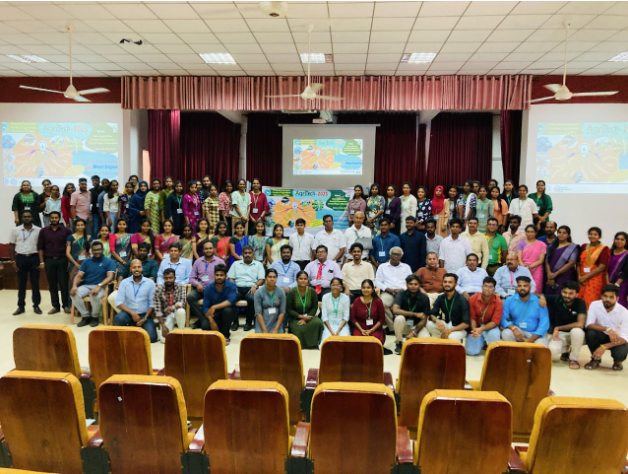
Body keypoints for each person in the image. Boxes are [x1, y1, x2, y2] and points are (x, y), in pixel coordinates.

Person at [72, 241, 116, 327]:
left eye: (99, 249)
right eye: (94, 250)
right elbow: (79, 276)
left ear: (103, 250)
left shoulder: (109, 261)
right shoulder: (86, 261)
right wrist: (74, 286)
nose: (97, 252)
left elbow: (110, 277)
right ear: (91, 251)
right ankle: (86, 316)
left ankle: (94, 317)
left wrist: (99, 286)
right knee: (74, 294)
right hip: (86, 285)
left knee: (94, 294)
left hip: (102, 286)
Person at [584, 285, 628, 371]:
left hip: (616, 339)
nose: (607, 299)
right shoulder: (595, 305)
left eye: (611, 297)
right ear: (601, 296)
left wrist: (604, 347)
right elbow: (588, 324)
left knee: (620, 353)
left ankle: (617, 361)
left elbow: (625, 337)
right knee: (591, 333)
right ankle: (595, 359)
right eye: (605, 296)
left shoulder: (624, 312)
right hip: (601, 335)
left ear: (617, 298)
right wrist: (607, 329)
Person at [36, 210, 72, 314]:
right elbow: (40, 247)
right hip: (49, 260)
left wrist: (69, 262)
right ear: (49, 219)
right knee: (52, 285)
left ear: (59, 218)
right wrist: (41, 262)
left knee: (64, 284)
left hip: (62, 260)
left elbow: (70, 247)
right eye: (52, 218)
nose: (54, 219)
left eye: (56, 218)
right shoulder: (44, 231)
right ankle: (55, 306)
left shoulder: (66, 231)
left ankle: (66, 305)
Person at [113, 258, 157, 342]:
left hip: (144, 315)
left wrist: (145, 318)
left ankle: (137, 327)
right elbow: (119, 302)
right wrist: (133, 313)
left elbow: (152, 304)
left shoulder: (150, 283)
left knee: (152, 338)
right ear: (130, 269)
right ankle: (132, 328)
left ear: (142, 268)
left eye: (139, 267)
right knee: (118, 318)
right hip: (129, 313)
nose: (137, 269)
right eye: (134, 267)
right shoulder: (124, 283)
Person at [108, 242, 158, 313]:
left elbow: (152, 278)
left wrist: (144, 286)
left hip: (144, 288)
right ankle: (128, 315)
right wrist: (119, 283)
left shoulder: (152, 263)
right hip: (128, 286)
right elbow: (122, 275)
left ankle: (135, 315)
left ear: (148, 252)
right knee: (112, 298)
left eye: (144, 251)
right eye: (140, 250)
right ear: (138, 251)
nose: (142, 253)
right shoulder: (130, 262)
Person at [547, 280, 586, 369]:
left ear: (576, 294)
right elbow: (538, 295)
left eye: (571, 293)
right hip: (561, 334)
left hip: (576, 335)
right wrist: (541, 297)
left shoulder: (580, 303)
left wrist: (558, 327)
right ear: (561, 292)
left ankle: (573, 359)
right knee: (552, 351)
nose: (567, 296)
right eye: (565, 292)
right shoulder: (557, 299)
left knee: (577, 331)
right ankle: (566, 349)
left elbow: (580, 324)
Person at [500, 276, 549, 345]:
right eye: (519, 286)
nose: (522, 288)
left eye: (525, 286)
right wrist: (513, 328)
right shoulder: (510, 300)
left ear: (530, 287)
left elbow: (544, 322)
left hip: (535, 333)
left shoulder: (539, 301)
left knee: (541, 346)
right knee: (506, 333)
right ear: (516, 287)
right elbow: (502, 318)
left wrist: (531, 339)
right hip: (519, 331)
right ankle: (516, 350)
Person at [10, 210, 42, 315]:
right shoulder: (15, 230)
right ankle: (21, 306)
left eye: (29, 216)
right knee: (21, 284)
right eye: (25, 216)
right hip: (21, 258)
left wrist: (41, 261)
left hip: (34, 258)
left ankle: (36, 305)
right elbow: (11, 245)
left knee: (35, 283)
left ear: (32, 218)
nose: (27, 218)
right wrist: (12, 260)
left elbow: (41, 246)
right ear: (21, 218)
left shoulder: (38, 230)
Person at [227, 245, 266, 331]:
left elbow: (261, 279)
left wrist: (255, 286)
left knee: (252, 299)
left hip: (251, 288)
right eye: (245, 253)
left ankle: (248, 322)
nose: (247, 255)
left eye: (249, 253)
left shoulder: (258, 265)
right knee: (231, 298)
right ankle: (235, 322)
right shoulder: (236, 264)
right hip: (238, 287)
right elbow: (230, 278)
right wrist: (233, 286)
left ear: (253, 254)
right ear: (242, 254)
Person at [375, 246, 412, 331]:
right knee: (382, 303)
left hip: (404, 293)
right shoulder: (382, 267)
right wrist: (388, 289)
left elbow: (410, 281)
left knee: (411, 303)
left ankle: (407, 328)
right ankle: (392, 328)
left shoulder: (406, 267)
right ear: (390, 255)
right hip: (388, 292)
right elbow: (377, 282)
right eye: (394, 254)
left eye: (398, 255)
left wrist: (402, 289)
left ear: (401, 256)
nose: (396, 256)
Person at [392, 274, 431, 354]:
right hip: (404, 325)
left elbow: (424, 319)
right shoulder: (401, 294)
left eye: (415, 284)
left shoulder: (424, 298)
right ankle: (399, 343)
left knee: (426, 339)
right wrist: (414, 314)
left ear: (419, 285)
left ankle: (414, 346)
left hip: (417, 326)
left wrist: (414, 332)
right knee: (399, 318)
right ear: (407, 285)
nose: (413, 286)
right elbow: (395, 310)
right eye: (410, 284)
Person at [188, 240, 224, 326]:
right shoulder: (198, 262)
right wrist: (197, 284)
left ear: (213, 249)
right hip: (201, 289)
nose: (208, 250)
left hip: (215, 290)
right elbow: (191, 278)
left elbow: (224, 278)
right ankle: (203, 319)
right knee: (190, 297)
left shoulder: (220, 262)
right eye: (206, 248)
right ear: (203, 250)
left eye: (210, 248)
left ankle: (202, 322)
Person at [427, 273, 470, 342]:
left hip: (459, 328)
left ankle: (456, 341)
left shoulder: (462, 300)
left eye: (450, 282)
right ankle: (441, 341)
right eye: (445, 282)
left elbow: (466, 324)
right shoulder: (441, 297)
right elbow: (432, 314)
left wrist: (449, 331)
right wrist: (437, 320)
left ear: (456, 284)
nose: (447, 284)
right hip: (447, 325)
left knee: (451, 337)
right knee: (429, 324)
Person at [466, 277, 502, 355]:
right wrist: (475, 330)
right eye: (485, 286)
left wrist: (481, 329)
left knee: (494, 337)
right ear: (482, 287)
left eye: (490, 287)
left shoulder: (498, 302)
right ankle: (482, 342)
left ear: (494, 289)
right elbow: (472, 317)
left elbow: (494, 322)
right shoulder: (473, 298)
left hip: (490, 328)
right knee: (471, 352)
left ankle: (487, 342)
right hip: (476, 327)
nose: (487, 289)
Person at [201, 264, 237, 341]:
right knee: (205, 326)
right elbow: (205, 307)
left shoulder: (232, 285)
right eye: (217, 275)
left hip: (228, 313)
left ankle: (225, 335)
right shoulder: (208, 288)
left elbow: (231, 301)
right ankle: (218, 329)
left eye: (221, 275)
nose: (219, 277)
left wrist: (214, 307)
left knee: (228, 310)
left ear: (226, 276)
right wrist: (211, 321)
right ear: (214, 275)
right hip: (214, 314)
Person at [286, 271, 322, 348]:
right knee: (300, 329)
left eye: (305, 279)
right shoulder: (292, 292)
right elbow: (289, 309)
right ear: (296, 280)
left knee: (318, 323)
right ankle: (300, 346)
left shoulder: (312, 291)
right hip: (296, 317)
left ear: (308, 281)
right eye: (301, 278)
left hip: (309, 317)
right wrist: (301, 317)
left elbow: (314, 307)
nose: (303, 280)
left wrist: (307, 318)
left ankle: (313, 344)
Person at [351, 279, 388, 352]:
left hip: (375, 329)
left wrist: (371, 330)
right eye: (364, 288)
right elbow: (353, 318)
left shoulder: (378, 301)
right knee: (357, 342)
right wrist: (361, 330)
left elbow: (381, 319)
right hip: (360, 329)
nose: (366, 290)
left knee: (375, 342)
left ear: (373, 289)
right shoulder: (357, 301)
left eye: (368, 287)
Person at [578, 226, 610, 309]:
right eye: (590, 234)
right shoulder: (584, 246)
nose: (592, 236)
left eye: (595, 234)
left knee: (592, 301)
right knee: (580, 300)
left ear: (599, 236)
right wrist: (579, 277)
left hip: (595, 279)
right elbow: (578, 264)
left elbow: (601, 267)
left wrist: (585, 277)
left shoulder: (603, 249)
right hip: (582, 279)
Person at [153, 268, 187, 342]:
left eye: (170, 278)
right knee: (164, 340)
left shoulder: (180, 287)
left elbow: (182, 302)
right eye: (166, 278)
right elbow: (157, 310)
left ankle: (181, 333)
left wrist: (172, 308)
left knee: (181, 311)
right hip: (166, 315)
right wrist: (163, 326)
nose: (168, 280)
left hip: (176, 311)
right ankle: (169, 328)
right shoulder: (158, 290)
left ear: (174, 278)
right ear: (163, 279)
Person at [544, 225, 579, 295]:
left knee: (561, 294)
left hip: (565, 276)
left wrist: (556, 274)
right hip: (551, 275)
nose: (561, 234)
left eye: (564, 233)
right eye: (559, 232)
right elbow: (546, 261)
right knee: (549, 296)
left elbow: (571, 263)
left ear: (568, 235)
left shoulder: (573, 247)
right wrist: (549, 275)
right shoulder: (551, 246)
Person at [320, 277, 351, 347]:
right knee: (326, 344)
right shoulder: (325, 297)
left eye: (338, 285)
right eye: (333, 285)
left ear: (341, 287)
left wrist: (338, 330)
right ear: (330, 286)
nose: (335, 287)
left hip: (342, 325)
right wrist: (331, 331)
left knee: (345, 344)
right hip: (329, 325)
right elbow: (324, 316)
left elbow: (346, 317)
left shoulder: (346, 298)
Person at [254, 268, 287, 334]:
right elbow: (258, 313)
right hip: (262, 323)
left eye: (274, 277)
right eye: (270, 277)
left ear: (277, 278)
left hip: (276, 323)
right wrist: (264, 330)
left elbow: (282, 312)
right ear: (265, 278)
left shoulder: (281, 292)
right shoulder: (259, 292)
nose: (272, 279)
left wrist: (276, 329)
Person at [517, 224, 547, 291]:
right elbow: (519, 258)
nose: (530, 233)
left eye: (532, 232)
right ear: (525, 233)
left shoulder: (542, 244)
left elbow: (541, 260)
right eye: (528, 232)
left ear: (535, 233)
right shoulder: (521, 243)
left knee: (536, 288)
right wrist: (523, 267)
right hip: (523, 268)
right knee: (523, 287)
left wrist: (529, 266)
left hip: (536, 269)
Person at [608, 231, 628, 309]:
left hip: (621, 284)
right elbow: (605, 268)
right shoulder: (609, 252)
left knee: (619, 304)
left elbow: (626, 272)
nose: (619, 241)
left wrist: (616, 284)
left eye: (622, 239)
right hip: (607, 282)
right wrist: (607, 282)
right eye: (617, 239)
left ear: (626, 242)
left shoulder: (626, 254)